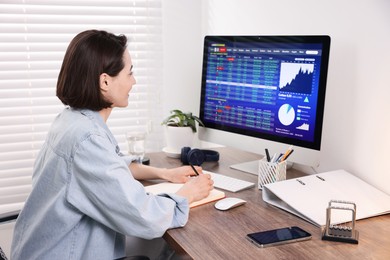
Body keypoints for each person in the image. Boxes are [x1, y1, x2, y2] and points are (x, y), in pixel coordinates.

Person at [11, 30, 213, 260]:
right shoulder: (87, 139)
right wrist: (189, 193)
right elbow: (142, 215)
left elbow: (109, 167)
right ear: (105, 81)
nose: (134, 81)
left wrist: (164, 173)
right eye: (130, 72)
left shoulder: (71, 121)